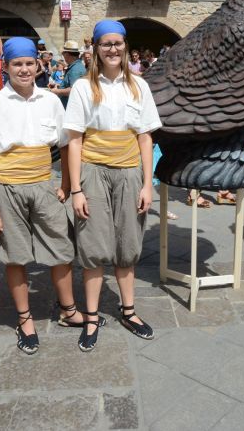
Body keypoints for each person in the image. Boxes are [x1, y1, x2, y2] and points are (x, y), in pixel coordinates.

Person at [0, 37, 94, 355]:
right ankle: (24, 318)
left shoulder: (50, 101)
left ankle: (69, 310)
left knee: (61, 247)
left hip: (43, 183)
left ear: (38, 65)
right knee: (15, 255)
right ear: (5, 68)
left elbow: (65, 144)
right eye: (17, 64)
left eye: (29, 63)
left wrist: (67, 185)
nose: (24, 69)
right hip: (7, 187)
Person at [64, 20, 161, 352]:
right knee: (92, 243)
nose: (113, 49)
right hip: (93, 171)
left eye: (118, 43)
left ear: (125, 45)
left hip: (130, 171)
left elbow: (145, 137)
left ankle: (128, 310)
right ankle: (91, 316)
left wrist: (148, 184)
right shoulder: (81, 87)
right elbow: (74, 140)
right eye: (106, 44)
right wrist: (76, 188)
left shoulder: (139, 86)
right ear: (95, 47)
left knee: (128, 241)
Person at [51, 40, 87, 108]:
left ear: (67, 54)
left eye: (63, 54)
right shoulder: (76, 66)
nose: (63, 57)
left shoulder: (75, 70)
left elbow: (73, 90)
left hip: (70, 107)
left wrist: (57, 91)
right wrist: (59, 85)